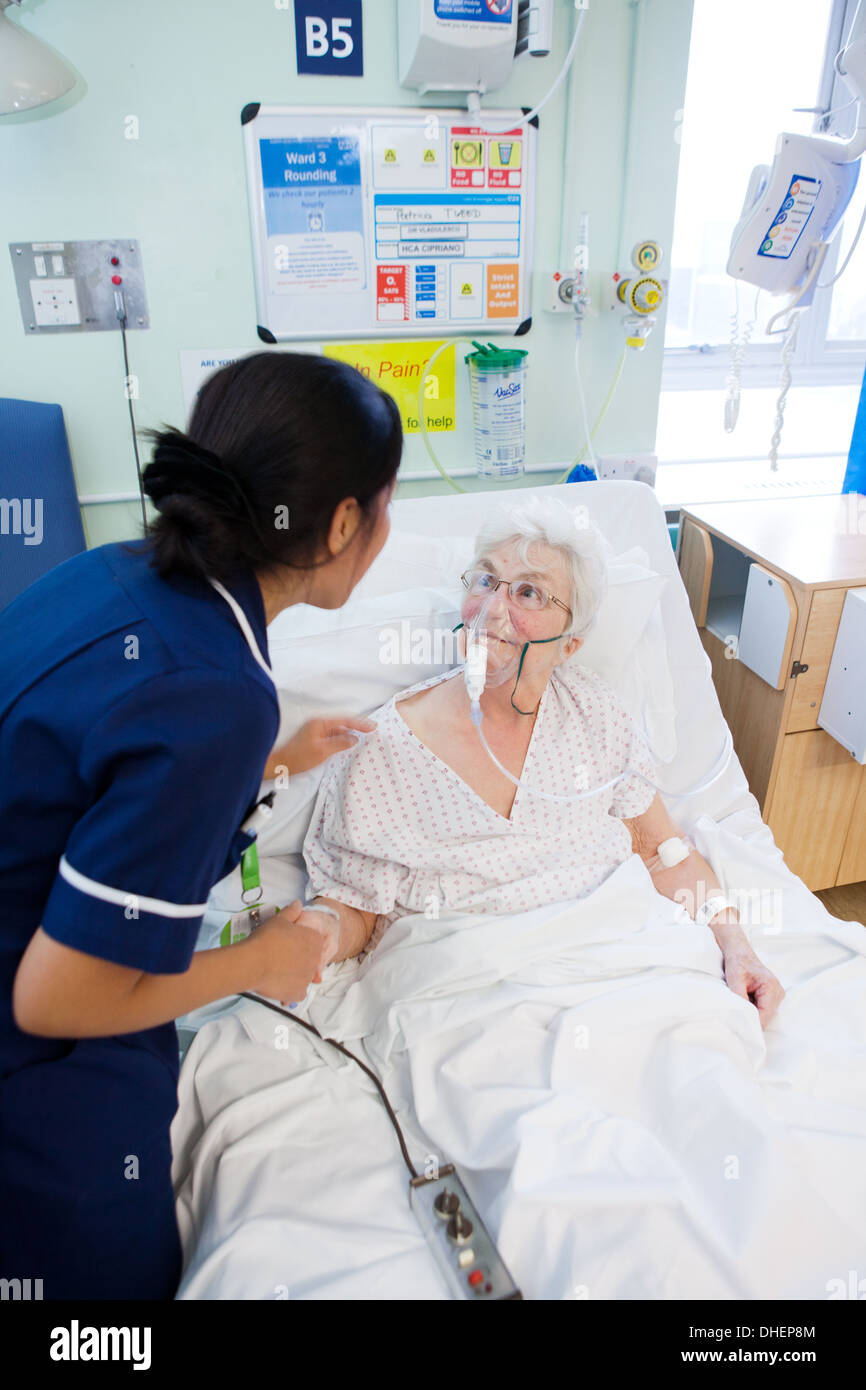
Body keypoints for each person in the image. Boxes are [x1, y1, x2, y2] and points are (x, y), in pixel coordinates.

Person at [0, 350, 402, 1299]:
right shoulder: (217, 693)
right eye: (386, 507)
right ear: (345, 522)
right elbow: (55, 1000)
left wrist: (265, 765)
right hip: (35, 1057)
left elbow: (94, 769)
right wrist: (263, 963)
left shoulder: (112, 575)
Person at [300, 497, 785, 1027]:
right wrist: (314, 935)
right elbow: (356, 909)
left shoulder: (595, 715)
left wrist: (738, 947)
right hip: (471, 1000)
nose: (493, 610)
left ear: (570, 643)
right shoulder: (384, 745)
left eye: (528, 592)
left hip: (622, 969)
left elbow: (662, 853)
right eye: (485, 582)